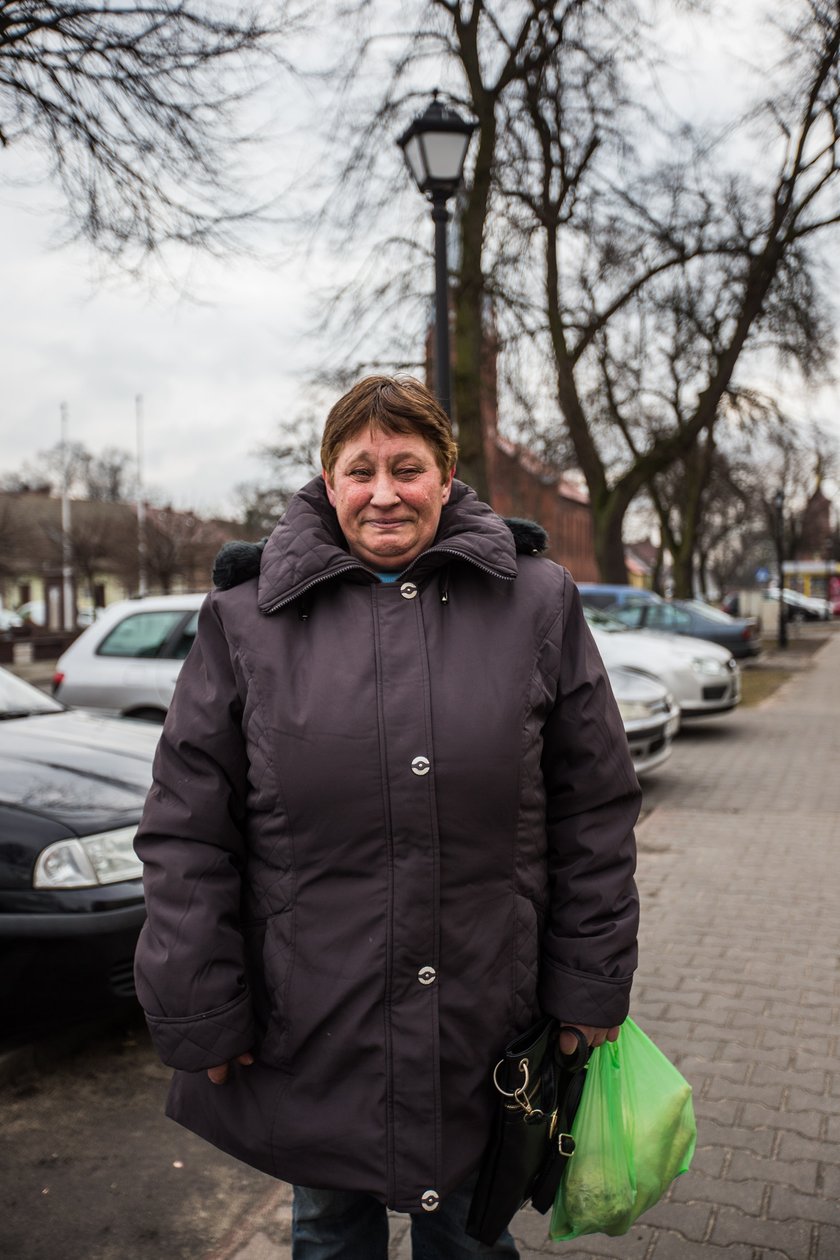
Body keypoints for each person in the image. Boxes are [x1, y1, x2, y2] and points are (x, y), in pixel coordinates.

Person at [134, 374, 641, 1259]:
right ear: (327, 483)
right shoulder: (244, 621)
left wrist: (590, 981)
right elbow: (187, 829)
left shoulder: (539, 602)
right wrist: (199, 1003)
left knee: (473, 1238)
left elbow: (593, 808)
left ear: (446, 477)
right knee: (329, 1229)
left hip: (489, 1012)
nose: (383, 493)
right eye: (359, 469)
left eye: (407, 468)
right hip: (313, 1019)